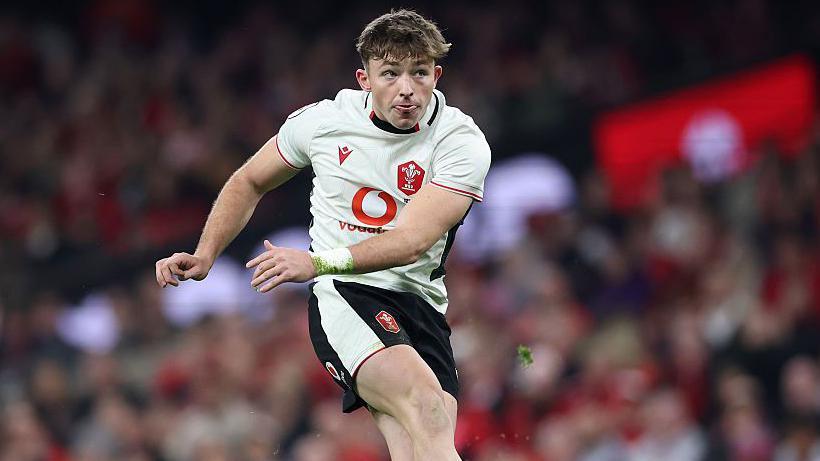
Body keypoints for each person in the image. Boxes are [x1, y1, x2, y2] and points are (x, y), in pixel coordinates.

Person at [155, 9, 491, 460]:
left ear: (437, 74)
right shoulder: (322, 122)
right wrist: (205, 254)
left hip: (423, 305)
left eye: (419, 72)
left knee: (416, 445)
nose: (407, 88)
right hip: (346, 296)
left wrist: (314, 260)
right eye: (390, 73)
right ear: (364, 78)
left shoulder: (461, 143)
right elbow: (249, 180)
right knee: (427, 406)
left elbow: (411, 241)